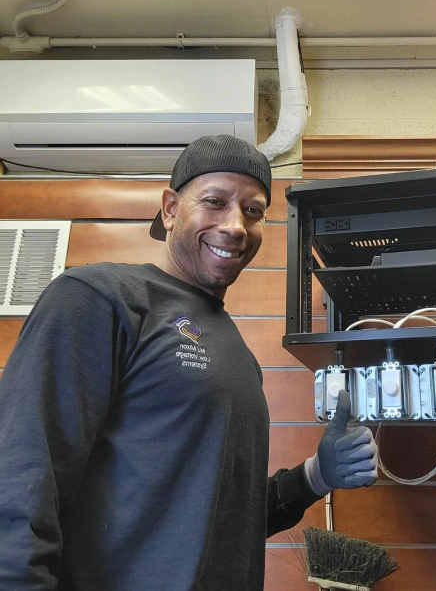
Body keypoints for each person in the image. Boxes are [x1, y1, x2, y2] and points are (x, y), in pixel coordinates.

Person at [0, 135, 378, 590]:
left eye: (254, 210)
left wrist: (313, 477)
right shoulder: (101, 299)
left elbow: (218, 523)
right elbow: (22, 479)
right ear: (171, 208)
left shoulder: (236, 352)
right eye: (215, 201)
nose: (236, 225)